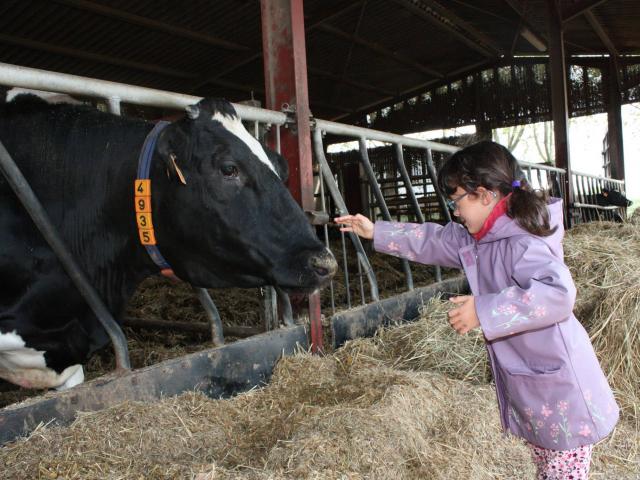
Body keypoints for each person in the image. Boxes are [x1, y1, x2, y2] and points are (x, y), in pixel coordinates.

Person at [335, 141, 618, 480]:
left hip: (562, 392)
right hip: (536, 388)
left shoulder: (523, 242)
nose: (454, 211)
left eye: (457, 200)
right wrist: (376, 231)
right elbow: (433, 240)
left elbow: (557, 294)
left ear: (484, 195)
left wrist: (484, 311)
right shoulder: (480, 239)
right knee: (547, 467)